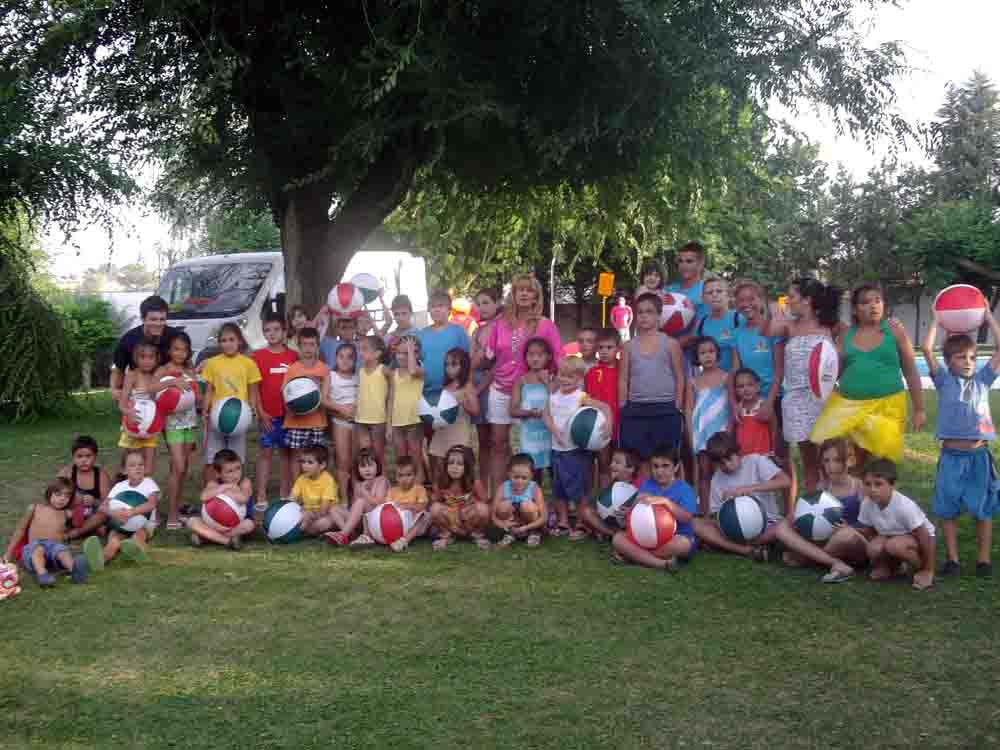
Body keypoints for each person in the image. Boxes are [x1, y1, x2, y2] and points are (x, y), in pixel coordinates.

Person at [691, 432, 855, 583]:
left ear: (737, 451)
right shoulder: (717, 480)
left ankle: (748, 546)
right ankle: (746, 550)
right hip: (735, 532)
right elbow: (715, 514)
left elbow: (785, 481)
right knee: (696, 523)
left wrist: (748, 489)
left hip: (768, 526)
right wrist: (726, 513)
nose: (727, 465)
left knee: (784, 525)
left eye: (729, 458)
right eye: (721, 463)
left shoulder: (755, 462)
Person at [921, 306, 1000, 578]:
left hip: (979, 457)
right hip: (951, 458)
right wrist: (936, 320)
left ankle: (983, 560)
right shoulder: (944, 381)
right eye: (960, 357)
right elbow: (927, 349)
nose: (968, 362)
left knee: (983, 509)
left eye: (972, 357)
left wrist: (988, 317)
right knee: (947, 509)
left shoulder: (983, 380)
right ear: (948, 361)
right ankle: (953, 560)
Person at [811, 283, 925, 466]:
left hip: (888, 407)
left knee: (881, 466)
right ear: (855, 310)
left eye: (877, 301)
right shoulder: (845, 335)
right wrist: (823, 386)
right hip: (850, 407)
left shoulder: (894, 330)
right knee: (850, 461)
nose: (873, 306)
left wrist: (919, 410)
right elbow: (832, 374)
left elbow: (911, 371)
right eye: (865, 302)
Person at [484, 273, 563, 492]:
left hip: (533, 392)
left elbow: (559, 359)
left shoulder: (546, 325)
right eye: (520, 290)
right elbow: (488, 355)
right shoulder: (499, 323)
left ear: (536, 296)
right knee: (498, 444)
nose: (525, 294)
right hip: (501, 390)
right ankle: (500, 494)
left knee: (536, 447)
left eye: (530, 290)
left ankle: (538, 496)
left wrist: (557, 385)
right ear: (513, 294)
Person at [762, 277, 842, 490]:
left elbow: (843, 353)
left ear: (807, 300)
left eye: (791, 296)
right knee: (809, 460)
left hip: (823, 399)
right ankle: (813, 501)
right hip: (797, 400)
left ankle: (836, 499)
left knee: (831, 458)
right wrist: (776, 311)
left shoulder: (830, 326)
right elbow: (768, 331)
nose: (788, 300)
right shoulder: (789, 326)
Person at [617, 292, 686, 475]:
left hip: (665, 409)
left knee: (667, 460)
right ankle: (645, 493)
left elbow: (680, 376)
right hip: (636, 410)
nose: (644, 316)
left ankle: (672, 493)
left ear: (658, 315)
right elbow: (623, 378)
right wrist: (623, 405)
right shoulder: (628, 346)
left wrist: (678, 405)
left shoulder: (670, 344)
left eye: (649, 312)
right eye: (640, 312)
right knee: (641, 462)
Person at [544, 357, 612, 539]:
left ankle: (582, 522)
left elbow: (604, 407)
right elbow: (546, 415)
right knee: (559, 487)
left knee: (579, 489)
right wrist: (554, 430)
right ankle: (564, 521)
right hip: (557, 450)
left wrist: (609, 422)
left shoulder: (581, 397)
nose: (564, 379)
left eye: (570, 377)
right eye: (562, 375)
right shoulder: (553, 397)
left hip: (576, 451)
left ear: (579, 379)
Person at [612, 444, 697, 572]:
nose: (659, 471)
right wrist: (627, 513)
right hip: (645, 537)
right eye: (655, 466)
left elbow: (687, 518)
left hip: (674, 538)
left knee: (683, 544)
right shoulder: (647, 484)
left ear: (676, 467)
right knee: (618, 539)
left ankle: (633, 556)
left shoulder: (685, 489)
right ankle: (661, 563)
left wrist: (665, 502)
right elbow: (637, 514)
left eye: (665, 466)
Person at [857, 459, 936, 591]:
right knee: (873, 548)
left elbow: (925, 535)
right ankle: (892, 567)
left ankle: (922, 569)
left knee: (894, 545)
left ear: (892, 485)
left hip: (918, 538)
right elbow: (869, 530)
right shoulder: (867, 503)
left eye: (878, 484)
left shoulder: (904, 506)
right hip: (891, 536)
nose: (872, 489)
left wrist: (928, 569)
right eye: (867, 484)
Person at [201, 323, 261, 484]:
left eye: (231, 339)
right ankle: (211, 490)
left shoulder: (248, 363)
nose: (228, 344)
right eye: (223, 340)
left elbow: (253, 390)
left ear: (239, 341)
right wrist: (205, 411)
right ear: (219, 343)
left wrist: (252, 410)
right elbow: (209, 390)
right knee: (212, 458)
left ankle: (235, 492)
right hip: (216, 417)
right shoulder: (212, 363)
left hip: (239, 418)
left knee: (236, 458)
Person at [731, 281, 784, 456]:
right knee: (753, 451)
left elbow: (779, 371)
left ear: (761, 300)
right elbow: (735, 372)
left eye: (751, 299)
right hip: (749, 402)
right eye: (741, 300)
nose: (746, 304)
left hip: (774, 399)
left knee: (779, 453)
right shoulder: (737, 333)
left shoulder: (773, 329)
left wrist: (769, 403)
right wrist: (735, 404)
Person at [5, 478, 90, 587]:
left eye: (67, 496)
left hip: (54, 550)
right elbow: (20, 530)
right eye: (58, 494)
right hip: (33, 549)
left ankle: (75, 570)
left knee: (62, 551)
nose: (62, 499)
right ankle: (43, 575)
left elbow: (79, 521)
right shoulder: (35, 508)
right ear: (49, 493)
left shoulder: (66, 513)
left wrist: (80, 502)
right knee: (38, 549)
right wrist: (9, 554)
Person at [155, 331, 201, 528]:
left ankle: (178, 508)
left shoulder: (189, 369)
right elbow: (151, 388)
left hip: (190, 424)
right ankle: (172, 517)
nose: (180, 353)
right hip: (172, 425)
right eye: (176, 349)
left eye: (184, 349)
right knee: (178, 467)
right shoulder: (164, 369)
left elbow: (196, 395)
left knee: (184, 468)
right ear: (169, 350)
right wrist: (172, 381)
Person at [252, 313, 298, 509]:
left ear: (285, 331)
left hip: (289, 416)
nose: (272, 333)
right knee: (266, 453)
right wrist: (260, 412)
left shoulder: (293, 356)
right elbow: (254, 388)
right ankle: (261, 494)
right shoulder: (257, 356)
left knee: (286, 453)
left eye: (276, 329)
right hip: (268, 416)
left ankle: (285, 493)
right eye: (267, 330)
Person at [809, 438, 869, 567]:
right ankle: (825, 558)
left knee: (844, 536)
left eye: (837, 460)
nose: (831, 467)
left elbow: (872, 529)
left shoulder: (860, 487)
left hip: (854, 541)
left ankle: (811, 557)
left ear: (850, 461)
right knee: (784, 528)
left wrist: (850, 528)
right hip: (828, 539)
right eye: (826, 460)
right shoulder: (822, 487)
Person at [687, 336, 732, 506]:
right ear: (697, 357)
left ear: (718, 354)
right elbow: (689, 409)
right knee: (704, 472)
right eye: (703, 353)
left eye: (711, 351)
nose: (707, 356)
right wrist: (691, 435)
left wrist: (730, 430)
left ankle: (723, 508)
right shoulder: (693, 381)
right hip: (701, 434)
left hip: (721, 432)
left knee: (722, 471)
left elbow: (732, 405)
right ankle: (706, 511)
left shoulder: (726, 377)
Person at [94, 449, 159, 565]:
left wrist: (130, 512)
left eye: (141, 464)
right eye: (132, 465)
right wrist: (115, 514)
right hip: (121, 525)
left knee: (138, 536)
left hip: (143, 524)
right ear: (124, 470)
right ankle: (101, 559)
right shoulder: (119, 486)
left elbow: (151, 504)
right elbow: (102, 507)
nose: (138, 468)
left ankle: (139, 552)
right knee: (113, 541)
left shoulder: (149, 483)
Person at [281, 326, 331, 468]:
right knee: (297, 458)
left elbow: (325, 397)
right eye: (304, 344)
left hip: (317, 422)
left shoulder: (324, 369)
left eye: (312, 344)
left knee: (316, 458)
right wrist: (291, 407)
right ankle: (297, 482)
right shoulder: (292, 369)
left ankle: (315, 483)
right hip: (296, 422)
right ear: (299, 346)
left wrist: (315, 390)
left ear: (317, 346)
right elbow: (285, 392)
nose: (308, 348)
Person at [187, 449, 256, 549]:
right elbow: (203, 497)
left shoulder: (245, 482)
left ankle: (206, 537)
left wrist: (223, 491)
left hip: (237, 523)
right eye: (229, 471)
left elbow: (243, 499)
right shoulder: (214, 483)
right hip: (213, 523)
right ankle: (227, 541)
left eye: (238, 468)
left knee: (249, 525)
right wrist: (226, 487)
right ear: (218, 474)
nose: (236, 474)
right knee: (192, 521)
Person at [322, 448, 390, 546]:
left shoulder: (381, 480)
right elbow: (355, 509)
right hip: (361, 522)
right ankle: (350, 534)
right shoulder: (359, 484)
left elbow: (378, 503)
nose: (367, 469)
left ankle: (343, 535)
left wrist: (364, 491)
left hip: (376, 521)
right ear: (358, 469)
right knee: (333, 508)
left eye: (370, 465)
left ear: (377, 466)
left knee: (361, 502)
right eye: (363, 466)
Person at [509, 337, 555, 483]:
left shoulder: (554, 379)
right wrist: (529, 413)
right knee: (533, 477)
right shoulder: (521, 381)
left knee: (555, 475)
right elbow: (513, 410)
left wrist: (546, 382)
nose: (535, 359)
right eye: (531, 355)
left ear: (548, 356)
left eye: (540, 355)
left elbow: (558, 403)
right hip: (529, 439)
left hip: (551, 437)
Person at [428, 445, 491, 551]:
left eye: (460, 464)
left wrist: (470, 507)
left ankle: (477, 535)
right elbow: (435, 501)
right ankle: (446, 536)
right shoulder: (442, 482)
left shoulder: (474, 483)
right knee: (435, 508)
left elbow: (486, 503)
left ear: (467, 466)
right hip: (452, 521)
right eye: (451, 463)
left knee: (483, 509)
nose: (454, 467)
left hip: (468, 519)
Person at [117, 340, 166, 475]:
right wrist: (129, 413)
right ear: (136, 358)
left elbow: (160, 402)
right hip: (133, 426)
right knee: (131, 468)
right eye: (142, 357)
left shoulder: (156, 376)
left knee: (148, 469)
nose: (147, 361)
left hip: (150, 428)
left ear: (156, 359)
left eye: (151, 357)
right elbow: (121, 404)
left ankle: (146, 488)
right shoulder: (132, 375)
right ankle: (122, 486)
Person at [428, 348, 479, 477]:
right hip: (442, 432)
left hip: (459, 431)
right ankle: (439, 488)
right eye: (446, 365)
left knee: (459, 468)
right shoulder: (445, 387)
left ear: (463, 366)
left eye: (454, 364)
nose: (449, 368)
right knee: (440, 468)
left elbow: (476, 410)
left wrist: (462, 403)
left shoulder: (467, 386)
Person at [471, 287, 501, 491]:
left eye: (486, 303)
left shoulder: (502, 328)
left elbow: (498, 364)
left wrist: (480, 388)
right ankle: (483, 486)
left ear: (497, 303)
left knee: (497, 440)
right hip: (478, 385)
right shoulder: (477, 331)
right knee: (482, 440)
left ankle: (500, 486)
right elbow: (472, 362)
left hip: (495, 386)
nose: (482, 307)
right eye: (479, 303)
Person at [416, 289, 471, 398]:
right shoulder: (421, 335)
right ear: (429, 310)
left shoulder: (458, 332)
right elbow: (418, 362)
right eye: (433, 306)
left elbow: (468, 361)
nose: (436, 310)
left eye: (441, 306)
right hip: (427, 392)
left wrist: (464, 385)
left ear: (449, 309)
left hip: (454, 391)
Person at [577, 448, 642, 541]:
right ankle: (612, 534)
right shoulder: (612, 482)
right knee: (586, 511)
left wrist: (629, 511)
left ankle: (608, 533)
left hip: (628, 522)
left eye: (617, 463)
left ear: (630, 469)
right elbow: (601, 502)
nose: (612, 465)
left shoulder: (638, 485)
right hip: (609, 520)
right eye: (612, 461)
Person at [584, 329, 621, 487]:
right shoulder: (592, 372)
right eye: (601, 347)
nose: (604, 351)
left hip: (621, 424)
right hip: (601, 426)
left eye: (609, 347)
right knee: (604, 462)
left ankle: (619, 496)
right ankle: (604, 497)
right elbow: (588, 399)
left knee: (620, 464)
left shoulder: (624, 370)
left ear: (618, 348)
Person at [58, 435, 111, 543]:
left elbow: (107, 502)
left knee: (103, 515)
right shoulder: (67, 473)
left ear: (95, 456)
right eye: (79, 456)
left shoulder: (101, 475)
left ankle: (75, 533)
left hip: (92, 515)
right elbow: (55, 494)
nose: (84, 460)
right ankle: (90, 530)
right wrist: (72, 499)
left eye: (88, 456)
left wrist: (94, 501)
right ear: (73, 457)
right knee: (54, 513)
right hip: (71, 512)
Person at [388, 336, 426, 485]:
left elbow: (412, 370)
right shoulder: (394, 373)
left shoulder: (420, 370)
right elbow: (391, 399)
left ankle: (418, 485)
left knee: (416, 455)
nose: (401, 356)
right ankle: (403, 486)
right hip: (398, 421)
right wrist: (389, 425)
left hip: (414, 420)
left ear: (416, 354)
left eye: (406, 353)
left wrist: (410, 349)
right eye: (399, 353)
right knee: (401, 457)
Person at [325, 341, 358, 503]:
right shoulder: (331, 376)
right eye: (341, 356)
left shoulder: (358, 377)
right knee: (342, 460)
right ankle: (344, 498)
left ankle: (355, 495)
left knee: (355, 460)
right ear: (336, 358)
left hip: (357, 424)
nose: (345, 360)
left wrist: (356, 406)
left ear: (355, 360)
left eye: (349, 357)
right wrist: (341, 409)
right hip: (340, 423)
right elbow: (324, 399)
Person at [492, 453, 547, 547]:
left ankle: (533, 533)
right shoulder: (503, 487)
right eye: (516, 477)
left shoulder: (534, 488)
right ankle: (510, 533)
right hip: (512, 522)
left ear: (531, 476)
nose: (519, 481)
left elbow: (544, 517)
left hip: (529, 524)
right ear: (509, 474)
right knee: (503, 505)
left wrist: (525, 528)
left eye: (524, 478)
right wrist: (502, 524)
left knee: (527, 506)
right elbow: (493, 514)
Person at [354, 335, 391, 470]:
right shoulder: (360, 371)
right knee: (364, 454)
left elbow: (392, 394)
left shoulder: (384, 370)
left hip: (378, 419)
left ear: (377, 354)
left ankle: (383, 479)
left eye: (364, 349)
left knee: (379, 455)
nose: (360, 352)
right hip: (361, 418)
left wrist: (389, 423)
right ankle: (368, 480)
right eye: (359, 349)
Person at [692, 276, 741, 372]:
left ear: (728, 295)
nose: (714, 295)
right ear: (703, 298)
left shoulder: (739, 318)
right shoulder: (701, 324)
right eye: (710, 293)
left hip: (739, 379)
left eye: (719, 291)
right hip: (713, 379)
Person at [290, 445, 340, 537]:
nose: (305, 466)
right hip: (307, 515)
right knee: (299, 518)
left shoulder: (328, 480)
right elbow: (291, 500)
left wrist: (310, 515)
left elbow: (324, 510)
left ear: (322, 465)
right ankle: (305, 530)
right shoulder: (301, 479)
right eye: (303, 462)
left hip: (325, 515)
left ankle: (302, 531)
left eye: (310, 462)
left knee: (324, 523)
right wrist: (299, 512)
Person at [384, 456, 432, 552]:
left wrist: (407, 506)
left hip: (415, 524)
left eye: (408, 475)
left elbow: (422, 506)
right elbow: (387, 508)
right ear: (396, 477)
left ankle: (404, 541)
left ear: (415, 475)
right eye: (400, 475)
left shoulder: (419, 489)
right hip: (397, 523)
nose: (404, 479)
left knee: (426, 515)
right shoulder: (392, 491)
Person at [732, 369, 775, 457]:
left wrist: (772, 449)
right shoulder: (738, 410)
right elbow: (734, 432)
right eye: (741, 386)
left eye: (750, 385)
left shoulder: (764, 406)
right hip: (743, 457)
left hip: (763, 456)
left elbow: (773, 428)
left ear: (758, 386)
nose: (746, 389)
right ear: (736, 390)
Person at [664, 241, 708, 321]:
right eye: (680, 261)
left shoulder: (708, 291)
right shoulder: (668, 290)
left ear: (701, 264)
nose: (683, 265)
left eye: (689, 261)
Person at [386, 294, 417, 364]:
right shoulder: (388, 337)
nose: (400, 318)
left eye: (404, 313)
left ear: (411, 313)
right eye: (396, 314)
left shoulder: (418, 335)